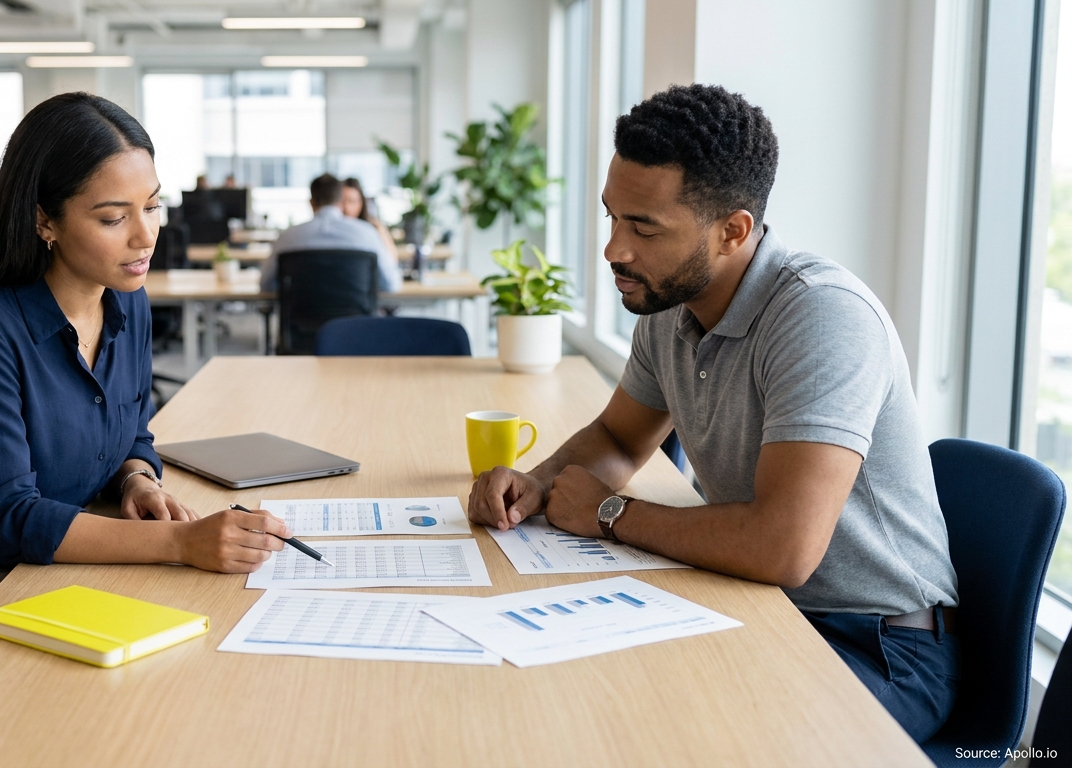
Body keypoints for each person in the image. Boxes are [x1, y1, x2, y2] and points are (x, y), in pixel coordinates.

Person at [466, 84, 960, 742]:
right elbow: (617, 436)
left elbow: (782, 548)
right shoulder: (671, 301)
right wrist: (540, 482)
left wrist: (611, 513)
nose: (614, 249)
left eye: (643, 227)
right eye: (612, 216)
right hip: (745, 601)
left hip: (872, 647)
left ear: (733, 231)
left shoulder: (821, 317)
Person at [0, 93, 291, 708]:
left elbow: (131, 432)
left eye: (153, 205)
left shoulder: (126, 299)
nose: (146, 236)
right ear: (44, 220)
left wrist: (138, 479)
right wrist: (181, 545)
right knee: (90, 719)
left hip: (46, 584)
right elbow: (10, 518)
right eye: (114, 218)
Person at [259, 174, 402, 293]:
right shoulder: (367, 234)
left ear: (311, 203)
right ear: (340, 202)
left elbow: (266, 285)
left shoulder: (288, 237)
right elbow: (391, 284)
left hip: (302, 321)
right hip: (355, 323)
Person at [341, 177, 400, 265]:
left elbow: (392, 259)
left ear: (361, 203)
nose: (346, 207)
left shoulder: (374, 227)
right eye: (342, 201)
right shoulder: (333, 229)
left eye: (352, 201)